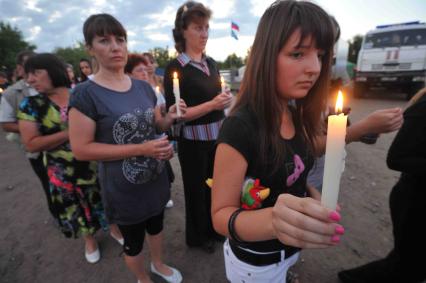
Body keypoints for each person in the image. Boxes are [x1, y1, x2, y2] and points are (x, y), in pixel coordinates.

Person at [211, 1, 345, 282]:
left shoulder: (294, 114)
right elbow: (221, 214)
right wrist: (274, 221)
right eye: (298, 53)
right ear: (266, 56)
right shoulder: (240, 127)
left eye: (320, 55)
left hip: (290, 251)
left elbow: (291, 170)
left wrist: (312, 197)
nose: (314, 68)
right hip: (255, 262)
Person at [68, 14, 185, 283]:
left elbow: (156, 124)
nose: (115, 47)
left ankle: (158, 264)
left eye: (120, 39)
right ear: (90, 48)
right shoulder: (85, 94)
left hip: (154, 178)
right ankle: (142, 278)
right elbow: (82, 149)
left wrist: (171, 117)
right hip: (123, 188)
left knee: (157, 227)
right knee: (133, 242)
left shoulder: (144, 87)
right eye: (104, 40)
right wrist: (141, 149)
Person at [17, 53, 108, 263]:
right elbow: (31, 143)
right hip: (63, 171)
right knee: (76, 205)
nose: (29, 79)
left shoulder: (83, 94)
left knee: (104, 198)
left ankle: (114, 229)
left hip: (96, 163)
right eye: (27, 75)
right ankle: (90, 240)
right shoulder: (30, 105)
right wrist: (72, 132)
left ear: (53, 71)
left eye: (35, 73)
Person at [164, 0, 233, 253]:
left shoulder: (212, 64)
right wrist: (213, 104)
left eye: (206, 28)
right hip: (192, 142)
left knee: (214, 187)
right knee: (195, 191)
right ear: (183, 31)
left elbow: (220, 102)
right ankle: (196, 236)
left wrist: (224, 100)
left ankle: (214, 229)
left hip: (218, 139)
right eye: (197, 28)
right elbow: (177, 115)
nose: (204, 34)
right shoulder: (175, 69)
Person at [338, 88, 426, 283]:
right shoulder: (422, 107)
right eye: (297, 55)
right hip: (415, 202)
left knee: (410, 260)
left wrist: (355, 131)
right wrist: (358, 129)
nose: (313, 68)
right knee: (409, 264)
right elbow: (396, 157)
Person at [0, 50, 55, 218]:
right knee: (49, 185)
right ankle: (59, 219)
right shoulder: (11, 93)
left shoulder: (53, 85)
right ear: (20, 69)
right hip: (38, 151)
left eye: (38, 67)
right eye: (29, 66)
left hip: (61, 149)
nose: (34, 72)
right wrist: (32, 129)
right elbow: (6, 124)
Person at [125, 53, 175, 209]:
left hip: (153, 157)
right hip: (129, 164)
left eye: (146, 70)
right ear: (127, 74)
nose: (145, 74)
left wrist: (170, 116)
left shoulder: (150, 94)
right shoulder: (122, 97)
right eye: (140, 70)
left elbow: (158, 126)